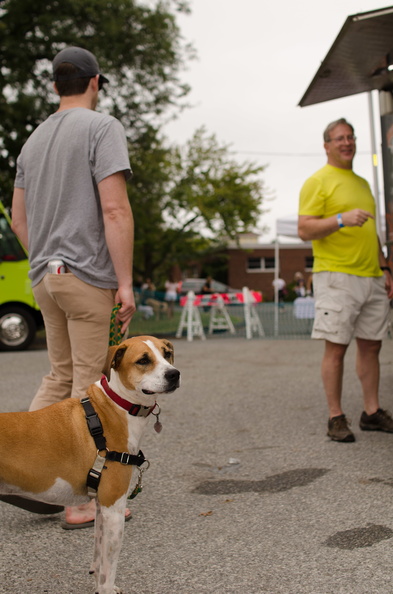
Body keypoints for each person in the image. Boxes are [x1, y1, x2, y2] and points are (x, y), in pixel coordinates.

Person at [11, 46, 136, 526]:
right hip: (85, 275)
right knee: (92, 387)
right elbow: (115, 209)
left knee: (58, 377)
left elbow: (20, 220)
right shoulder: (102, 127)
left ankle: (18, 471)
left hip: (45, 275)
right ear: (95, 82)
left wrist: (46, 258)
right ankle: (86, 501)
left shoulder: (32, 141)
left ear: (55, 85)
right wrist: (124, 282)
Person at [298, 117, 393, 443]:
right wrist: (340, 219)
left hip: (371, 276)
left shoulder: (363, 184)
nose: (346, 142)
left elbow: (372, 232)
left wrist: (385, 267)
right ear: (327, 145)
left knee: (371, 346)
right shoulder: (318, 182)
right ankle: (335, 417)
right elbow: (304, 229)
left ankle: (371, 412)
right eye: (339, 138)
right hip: (337, 276)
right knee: (336, 349)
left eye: (350, 137)